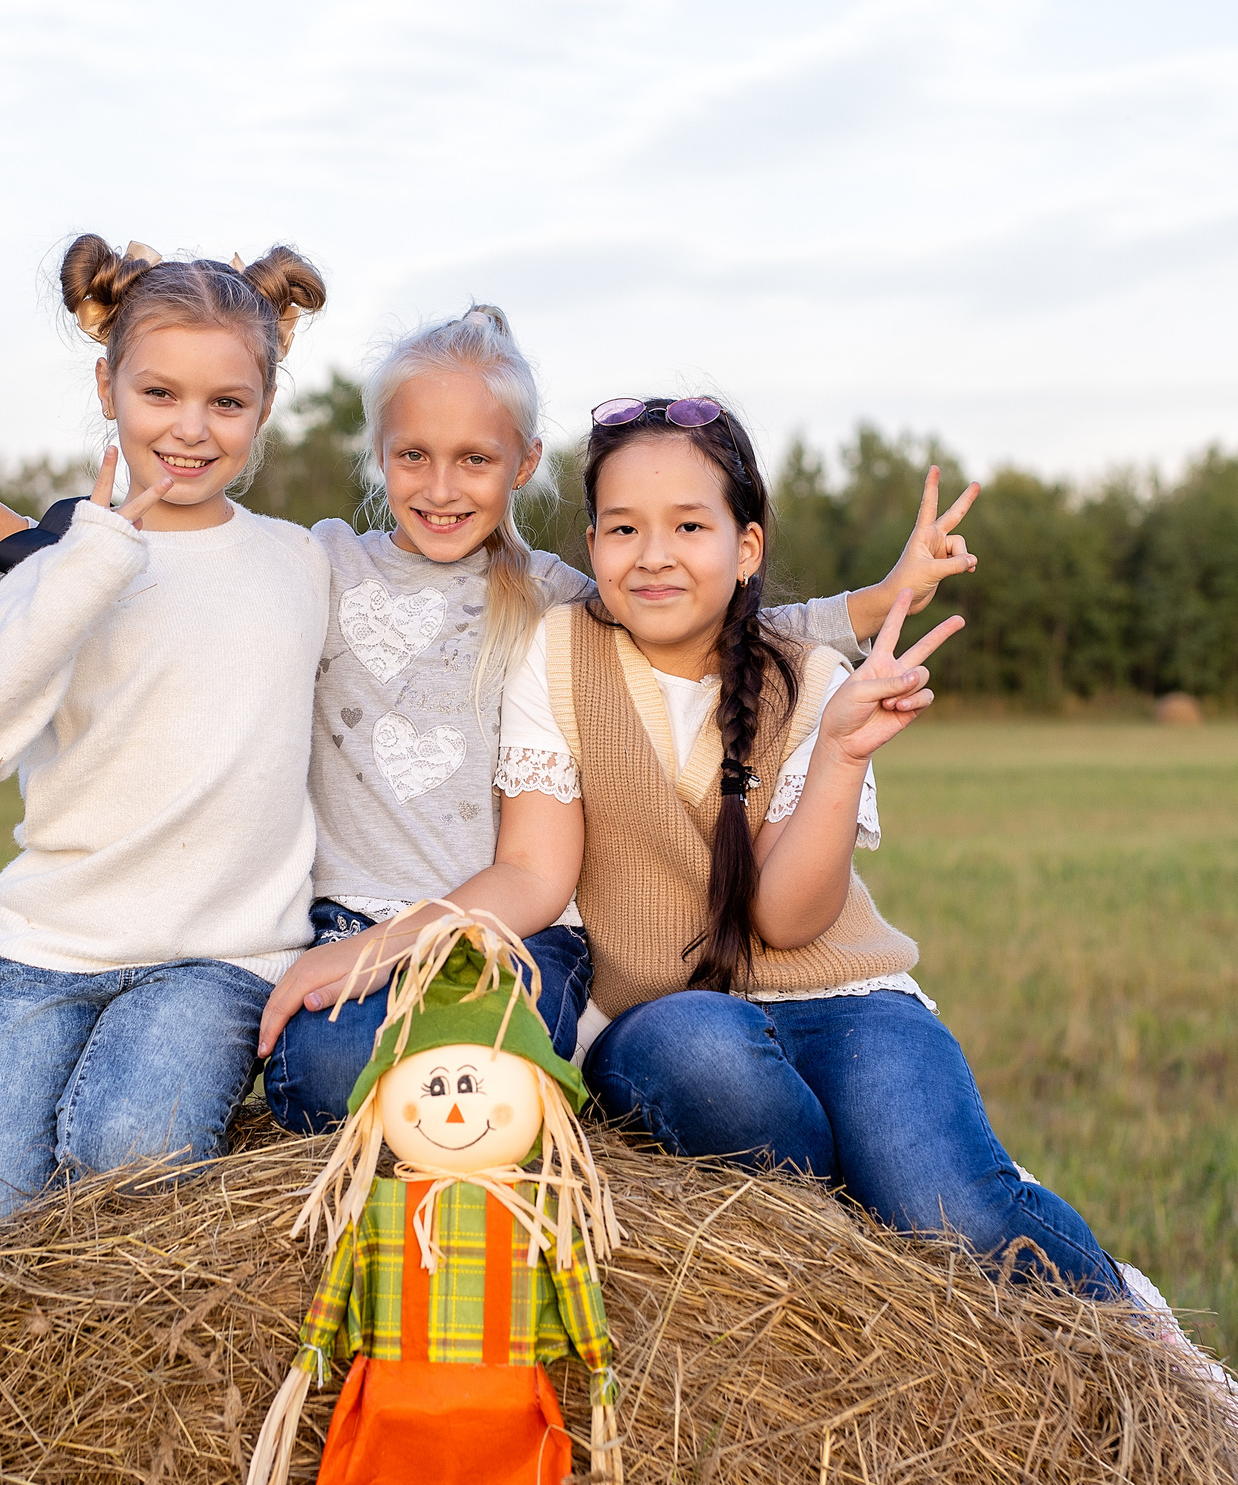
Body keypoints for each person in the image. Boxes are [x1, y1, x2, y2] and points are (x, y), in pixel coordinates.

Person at [289, 393, 1132, 1299]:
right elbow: (533, 871)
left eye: (689, 525)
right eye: (622, 529)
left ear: (747, 547)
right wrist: (374, 949)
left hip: (849, 1005)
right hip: (670, 1021)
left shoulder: (809, 680)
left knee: (952, 1210)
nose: (653, 554)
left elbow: (787, 914)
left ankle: (1149, 1344)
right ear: (593, 546)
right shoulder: (559, 651)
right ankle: (843, 1232)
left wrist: (843, 753)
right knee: (698, 1050)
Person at [246, 306, 983, 1131]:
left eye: (475, 458)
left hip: (522, 925)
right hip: (354, 907)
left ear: (524, 463)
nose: (442, 486)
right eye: (413, 455)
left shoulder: (557, 594)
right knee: (325, 1074)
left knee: (482, 1069)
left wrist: (883, 599)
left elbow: (719, 621)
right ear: (377, 455)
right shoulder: (327, 563)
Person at [0, 235, 330, 1223]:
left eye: (227, 402)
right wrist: (78, 568)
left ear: (264, 405)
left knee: (124, 1159)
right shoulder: (62, 570)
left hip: (222, 957)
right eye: (158, 394)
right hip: (48, 946)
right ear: (106, 385)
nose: (192, 429)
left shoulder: (301, 565)